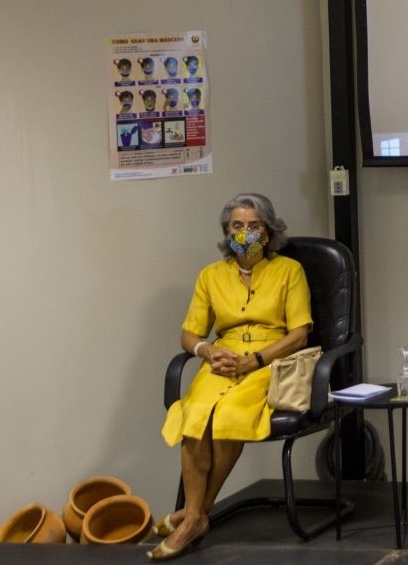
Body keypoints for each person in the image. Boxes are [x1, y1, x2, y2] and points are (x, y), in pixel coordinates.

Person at [151, 193, 312, 560]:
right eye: (237, 226)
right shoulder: (211, 275)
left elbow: (299, 334)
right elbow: (190, 334)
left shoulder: (289, 270)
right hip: (221, 358)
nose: (245, 232)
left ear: (268, 231)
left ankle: (192, 516)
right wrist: (207, 352)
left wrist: (253, 360)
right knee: (194, 415)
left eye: (253, 225)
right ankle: (197, 515)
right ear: (227, 231)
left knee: (230, 415)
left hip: (269, 358)